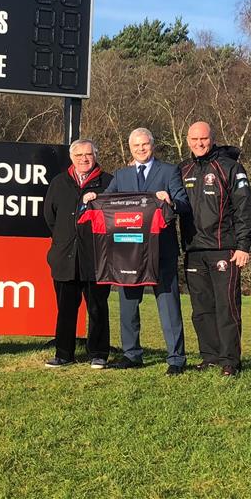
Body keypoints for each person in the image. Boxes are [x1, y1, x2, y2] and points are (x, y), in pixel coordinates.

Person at [85, 127, 190, 375]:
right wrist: (92, 197)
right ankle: (132, 354)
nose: (141, 149)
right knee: (128, 305)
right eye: (136, 146)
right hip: (128, 251)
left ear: (152, 145)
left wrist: (170, 202)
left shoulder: (169, 171)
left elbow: (184, 204)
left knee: (169, 305)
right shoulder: (121, 176)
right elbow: (105, 204)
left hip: (161, 251)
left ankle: (176, 358)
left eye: (145, 145)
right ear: (129, 148)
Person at [179, 121, 251, 376]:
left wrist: (243, 246)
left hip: (226, 249)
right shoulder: (183, 169)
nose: (199, 144)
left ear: (212, 139)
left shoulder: (230, 168)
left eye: (204, 139)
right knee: (201, 308)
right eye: (194, 139)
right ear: (187, 140)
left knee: (227, 306)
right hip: (194, 250)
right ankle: (209, 356)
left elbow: (245, 209)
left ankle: (230, 360)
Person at [42, 138, 113, 368]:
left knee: (97, 308)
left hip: (96, 257)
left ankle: (98, 353)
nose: (84, 159)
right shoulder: (59, 182)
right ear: (71, 158)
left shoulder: (108, 182)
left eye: (89, 155)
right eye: (79, 155)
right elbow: (50, 217)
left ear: (95, 156)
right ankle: (64, 353)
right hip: (65, 257)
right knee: (65, 309)